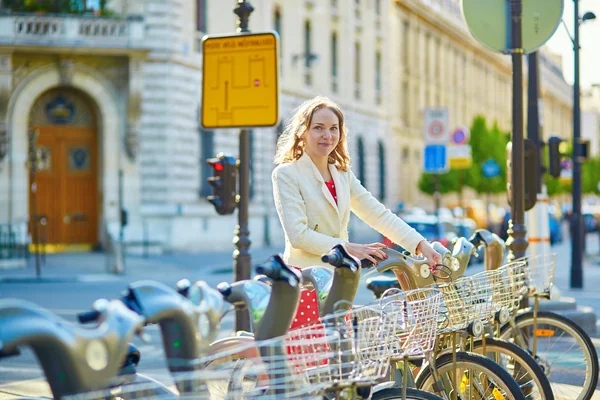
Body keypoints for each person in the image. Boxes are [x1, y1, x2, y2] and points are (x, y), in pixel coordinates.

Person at [272, 96, 442, 328]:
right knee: (311, 360)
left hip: (340, 281)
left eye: (334, 129)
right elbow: (298, 235)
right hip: (306, 283)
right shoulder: (287, 174)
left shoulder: (342, 174)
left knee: (340, 358)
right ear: (303, 132)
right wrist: (350, 248)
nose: (327, 135)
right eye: (318, 128)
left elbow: (378, 214)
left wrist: (421, 245)